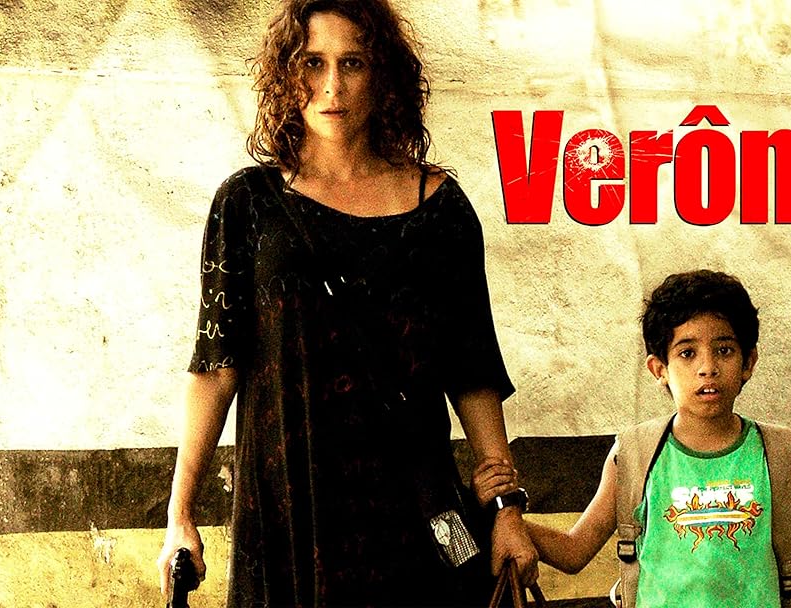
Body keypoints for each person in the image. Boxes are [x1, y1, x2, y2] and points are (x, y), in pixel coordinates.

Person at [155, 1, 537, 605]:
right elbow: (215, 366)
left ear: (382, 75)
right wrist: (180, 514)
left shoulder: (439, 208)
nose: (332, 85)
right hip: (289, 511)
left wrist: (508, 510)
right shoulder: (248, 205)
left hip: (412, 513)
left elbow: (473, 369)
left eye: (353, 63)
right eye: (313, 62)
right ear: (286, 73)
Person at [473, 270, 791, 608]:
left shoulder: (779, 452)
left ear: (748, 362)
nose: (707, 368)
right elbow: (573, 551)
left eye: (724, 350)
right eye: (687, 353)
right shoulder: (634, 455)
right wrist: (503, 519)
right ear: (660, 370)